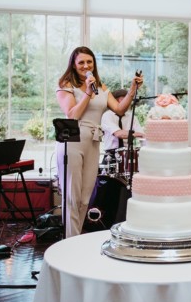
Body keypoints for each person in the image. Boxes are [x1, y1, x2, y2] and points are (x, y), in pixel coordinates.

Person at [56, 46, 142, 238]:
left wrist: (132, 89)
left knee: (86, 197)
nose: (86, 66)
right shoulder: (66, 84)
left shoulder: (101, 88)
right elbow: (72, 114)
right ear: (73, 64)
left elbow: (119, 109)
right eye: (81, 62)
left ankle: (75, 238)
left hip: (94, 141)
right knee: (72, 196)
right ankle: (70, 242)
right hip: (73, 140)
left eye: (89, 62)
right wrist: (87, 92)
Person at [100, 88, 145, 174]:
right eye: (124, 100)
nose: (128, 103)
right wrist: (136, 134)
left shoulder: (131, 116)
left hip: (129, 155)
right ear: (115, 101)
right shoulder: (107, 115)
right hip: (111, 156)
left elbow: (142, 135)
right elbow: (118, 133)